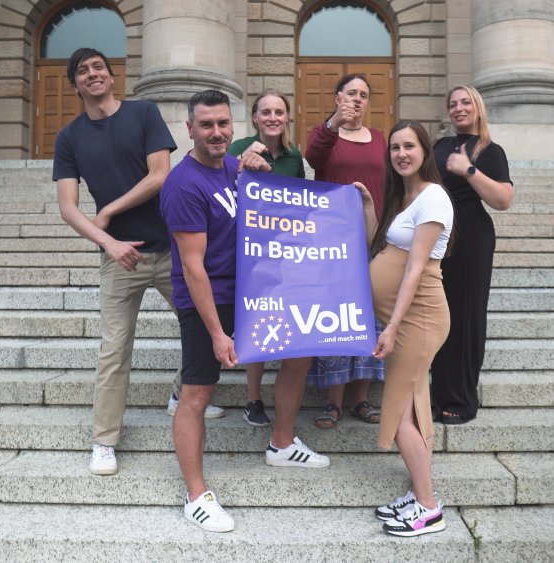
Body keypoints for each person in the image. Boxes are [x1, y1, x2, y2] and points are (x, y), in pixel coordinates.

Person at [160, 90, 331, 533]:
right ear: (190, 129)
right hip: (209, 299)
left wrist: (263, 171)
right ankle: (195, 495)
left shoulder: (232, 167)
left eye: (222, 123)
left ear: (233, 126)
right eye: (206, 125)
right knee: (197, 394)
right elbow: (193, 268)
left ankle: (282, 443)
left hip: (252, 291)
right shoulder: (183, 185)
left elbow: (270, 210)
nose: (216, 132)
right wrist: (218, 334)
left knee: (299, 352)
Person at [52, 48, 221, 479]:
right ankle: (104, 441)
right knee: (114, 349)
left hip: (170, 249)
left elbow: (160, 175)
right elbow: (68, 208)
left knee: (207, 323)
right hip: (119, 258)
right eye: (83, 71)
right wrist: (108, 241)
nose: (92, 74)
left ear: (112, 77)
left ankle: (180, 392)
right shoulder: (69, 137)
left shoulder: (143, 113)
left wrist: (108, 209)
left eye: (98, 67)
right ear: (75, 85)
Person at [366, 120, 454, 537]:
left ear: (425, 151)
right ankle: (419, 494)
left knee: (399, 413)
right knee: (417, 409)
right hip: (404, 319)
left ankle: (429, 509)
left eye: (409, 146)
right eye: (395, 147)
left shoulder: (433, 196)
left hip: (418, 319)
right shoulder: (405, 196)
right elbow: (385, 246)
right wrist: (367, 204)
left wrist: (392, 326)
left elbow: (415, 269)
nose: (401, 154)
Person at [303, 74, 386, 428]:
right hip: (331, 244)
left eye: (363, 94)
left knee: (369, 318)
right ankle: (333, 401)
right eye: (351, 93)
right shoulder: (323, 133)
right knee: (337, 318)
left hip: (371, 240)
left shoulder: (380, 139)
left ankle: (361, 399)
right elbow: (313, 157)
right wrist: (334, 123)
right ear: (338, 97)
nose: (357, 99)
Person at [429, 85, 513, 424]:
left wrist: (469, 170)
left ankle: (462, 398)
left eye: (465, 102)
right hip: (437, 231)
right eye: (453, 104)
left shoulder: (489, 150)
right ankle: (437, 395)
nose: (458, 108)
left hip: (470, 234)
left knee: (465, 316)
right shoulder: (439, 146)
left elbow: (503, 199)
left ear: (477, 107)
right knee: (438, 315)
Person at [227, 88, 305, 428]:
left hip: (285, 251)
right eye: (266, 112)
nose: (273, 118)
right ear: (255, 118)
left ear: (287, 118)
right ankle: (253, 398)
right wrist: (246, 159)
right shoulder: (238, 148)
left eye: (279, 112)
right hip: (251, 251)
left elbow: (302, 200)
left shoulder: (294, 156)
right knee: (255, 320)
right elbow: (224, 183)